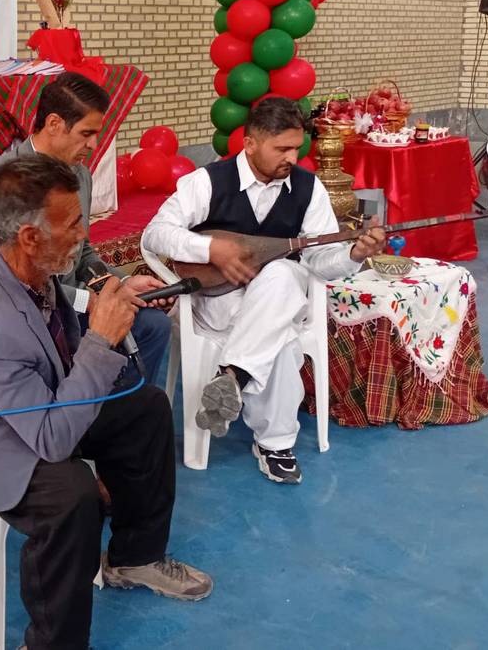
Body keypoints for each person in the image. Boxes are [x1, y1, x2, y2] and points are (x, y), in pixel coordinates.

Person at [0, 156, 211, 650]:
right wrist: (100, 342)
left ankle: (135, 557)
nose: (83, 232)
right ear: (29, 236)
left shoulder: (22, 261)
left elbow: (58, 349)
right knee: (71, 495)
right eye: (73, 223)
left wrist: (117, 300)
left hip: (29, 405)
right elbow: (52, 440)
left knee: (147, 409)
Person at [142, 97, 386, 485]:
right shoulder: (208, 181)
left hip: (276, 299)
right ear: (250, 144)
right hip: (219, 301)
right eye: (282, 148)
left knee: (282, 276)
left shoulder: (308, 188)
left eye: (296, 147)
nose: (292, 157)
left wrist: (354, 253)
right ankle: (275, 444)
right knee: (283, 341)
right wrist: (211, 249)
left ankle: (233, 378)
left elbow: (320, 261)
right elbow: (156, 233)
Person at [0, 72, 174, 386]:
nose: (93, 144)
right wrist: (88, 302)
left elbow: (84, 252)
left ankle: (115, 415)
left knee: (153, 325)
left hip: (71, 303)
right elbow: (12, 280)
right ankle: (85, 414)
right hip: (18, 312)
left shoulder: (79, 174)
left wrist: (122, 283)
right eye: (86, 133)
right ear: (53, 124)